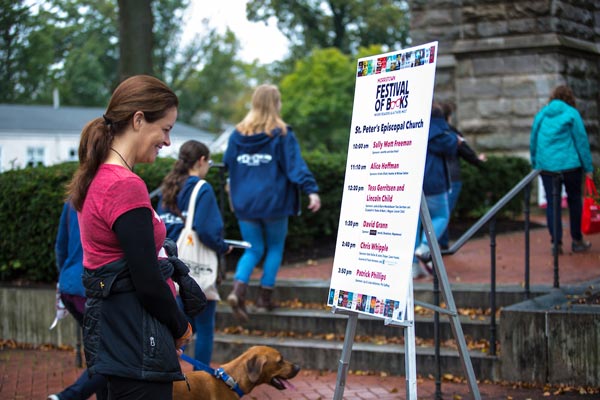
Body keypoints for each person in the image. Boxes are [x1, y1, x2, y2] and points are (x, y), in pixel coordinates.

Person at [65, 75, 194, 400]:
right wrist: (180, 327)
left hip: (114, 338)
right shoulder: (124, 184)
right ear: (138, 119)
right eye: (165, 128)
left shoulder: (96, 176)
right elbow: (147, 278)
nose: (167, 141)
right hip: (137, 340)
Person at [223, 84, 321, 322]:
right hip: (274, 201)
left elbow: (227, 163)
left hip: (245, 202)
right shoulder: (282, 133)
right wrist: (311, 191)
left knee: (253, 248)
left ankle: (238, 292)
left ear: (254, 103)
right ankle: (264, 298)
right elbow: (294, 166)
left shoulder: (237, 134)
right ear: (276, 104)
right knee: (275, 247)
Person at [157, 140, 233, 367]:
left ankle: (169, 374)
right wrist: (223, 246)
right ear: (200, 161)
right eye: (208, 162)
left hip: (168, 266)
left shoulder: (168, 187)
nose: (208, 166)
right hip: (194, 270)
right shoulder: (202, 188)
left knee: (178, 328)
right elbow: (206, 229)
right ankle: (201, 379)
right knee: (205, 327)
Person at [47, 202, 108, 400]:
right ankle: (68, 397)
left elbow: (60, 246)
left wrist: (67, 275)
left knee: (99, 351)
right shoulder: (107, 195)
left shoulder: (73, 200)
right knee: (111, 355)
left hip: (70, 286)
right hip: (91, 287)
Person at [530, 84, 594, 254]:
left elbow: (533, 140)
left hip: (547, 166)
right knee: (574, 201)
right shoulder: (572, 114)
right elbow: (581, 142)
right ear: (569, 98)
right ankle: (577, 240)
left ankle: (556, 243)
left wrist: (535, 163)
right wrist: (588, 168)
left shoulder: (541, 115)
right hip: (570, 165)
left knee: (553, 204)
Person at [413, 102, 459, 278]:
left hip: (414, 183)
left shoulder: (414, 128)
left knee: (414, 226)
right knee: (440, 216)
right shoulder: (440, 134)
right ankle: (425, 247)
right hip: (434, 183)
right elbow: (452, 146)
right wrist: (457, 139)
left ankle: (413, 268)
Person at [438, 101, 487, 250]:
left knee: (440, 214)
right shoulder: (452, 134)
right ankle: (435, 245)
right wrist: (479, 161)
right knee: (443, 215)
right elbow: (466, 152)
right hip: (452, 178)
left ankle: (441, 245)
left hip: (435, 178)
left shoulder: (428, 132)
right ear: (449, 116)